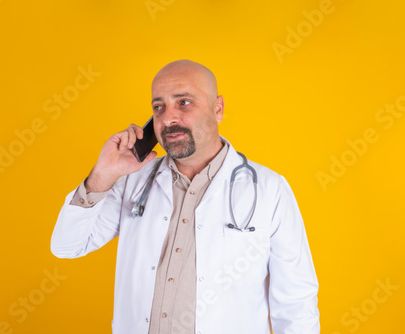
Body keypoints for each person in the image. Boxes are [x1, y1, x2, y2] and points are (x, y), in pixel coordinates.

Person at [51, 59, 320, 334]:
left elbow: (296, 304)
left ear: (218, 109)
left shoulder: (268, 189)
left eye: (184, 103)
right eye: (159, 107)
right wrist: (103, 172)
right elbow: (67, 246)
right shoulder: (134, 181)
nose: (168, 119)